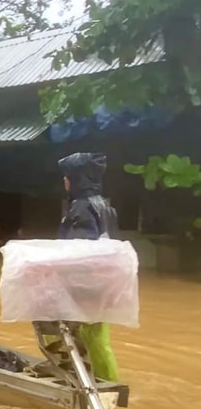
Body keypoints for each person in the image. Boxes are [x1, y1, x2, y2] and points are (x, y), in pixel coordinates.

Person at [57, 151, 120, 382]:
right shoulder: (103, 205)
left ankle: (106, 385)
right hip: (103, 280)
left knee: (91, 335)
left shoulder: (81, 207)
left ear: (76, 181)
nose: (64, 181)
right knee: (93, 334)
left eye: (67, 177)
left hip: (87, 283)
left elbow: (79, 251)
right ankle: (95, 378)